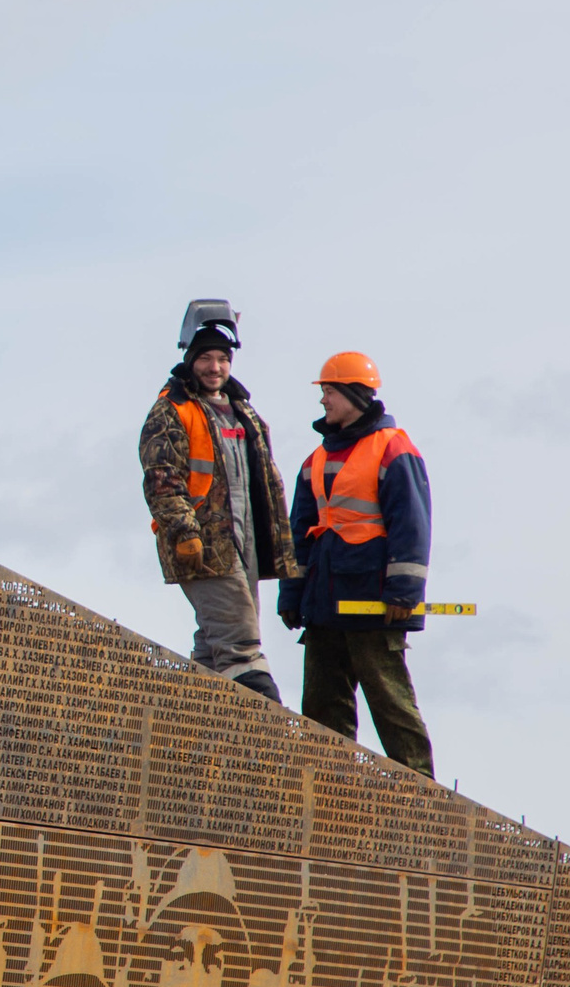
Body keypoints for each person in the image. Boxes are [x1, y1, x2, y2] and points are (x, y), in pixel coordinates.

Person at [276, 353, 437, 777]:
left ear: (352, 393)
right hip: (324, 604)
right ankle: (333, 796)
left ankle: (423, 799)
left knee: (391, 705)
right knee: (322, 712)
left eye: (328, 391)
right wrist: (292, 594)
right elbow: (299, 534)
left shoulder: (393, 448)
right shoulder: (315, 460)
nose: (323, 400)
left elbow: (411, 524)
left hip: (373, 603)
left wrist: (403, 594)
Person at [140, 301, 300, 703]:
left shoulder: (244, 413)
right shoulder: (171, 410)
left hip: (244, 546)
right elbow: (162, 479)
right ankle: (270, 734)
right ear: (191, 360)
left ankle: (192, 723)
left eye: (223, 358)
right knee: (240, 641)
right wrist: (183, 531)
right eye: (206, 358)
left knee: (212, 649)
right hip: (202, 545)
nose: (215, 367)